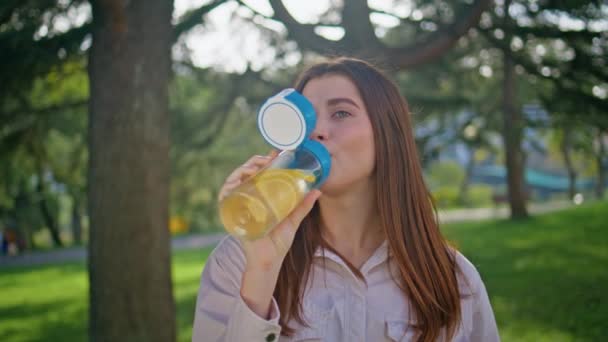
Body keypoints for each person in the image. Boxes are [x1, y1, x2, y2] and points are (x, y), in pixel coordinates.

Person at [192, 57, 500, 341]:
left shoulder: (451, 277)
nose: (318, 131)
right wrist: (261, 271)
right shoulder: (236, 263)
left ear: (386, 134)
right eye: (306, 119)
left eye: (341, 112)